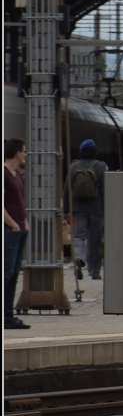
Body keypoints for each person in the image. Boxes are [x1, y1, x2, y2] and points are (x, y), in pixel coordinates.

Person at [67, 140, 108, 281]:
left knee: (79, 235)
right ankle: (94, 272)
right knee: (95, 240)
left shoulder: (73, 167)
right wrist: (107, 207)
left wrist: (67, 209)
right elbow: (104, 188)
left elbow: (67, 189)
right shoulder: (101, 167)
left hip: (79, 208)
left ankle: (79, 257)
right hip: (97, 209)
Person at [4, 139, 28, 330]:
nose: (25, 155)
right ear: (17, 153)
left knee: (13, 275)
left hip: (19, 229)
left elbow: (19, 200)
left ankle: (9, 316)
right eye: (24, 152)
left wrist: (24, 223)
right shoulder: (4, 174)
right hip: (10, 231)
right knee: (6, 273)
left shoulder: (16, 175)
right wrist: (12, 225)